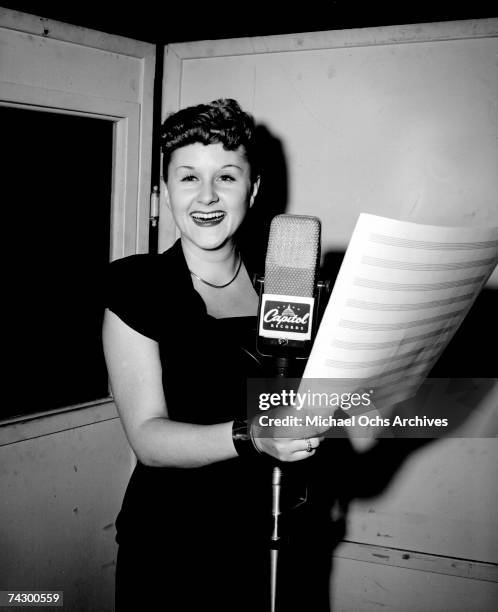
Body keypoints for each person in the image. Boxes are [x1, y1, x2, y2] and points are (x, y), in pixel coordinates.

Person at [103, 98, 351, 611]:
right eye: (189, 177)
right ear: (162, 192)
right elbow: (148, 439)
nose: (208, 196)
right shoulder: (137, 287)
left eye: (228, 177)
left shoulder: (288, 281)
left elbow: (309, 404)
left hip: (278, 527)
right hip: (174, 542)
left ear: (253, 189)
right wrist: (255, 435)